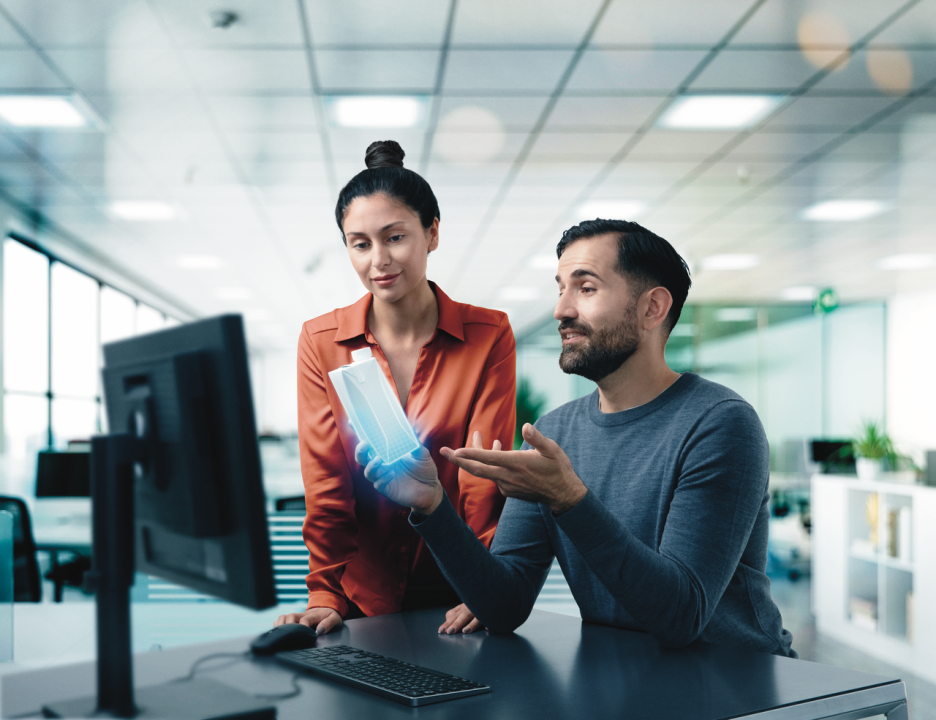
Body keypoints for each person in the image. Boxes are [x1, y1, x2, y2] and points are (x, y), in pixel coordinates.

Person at [358, 218, 797, 657]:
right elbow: (504, 604)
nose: (561, 310)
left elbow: (681, 616)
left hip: (740, 683)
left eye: (585, 289)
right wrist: (432, 506)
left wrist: (569, 498)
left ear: (652, 308)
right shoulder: (555, 432)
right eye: (561, 288)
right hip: (628, 678)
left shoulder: (720, 424)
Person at [276, 141, 515, 634]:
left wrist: (484, 580)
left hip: (456, 588)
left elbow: (481, 474)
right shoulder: (321, 341)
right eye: (360, 244)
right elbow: (325, 478)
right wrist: (323, 590)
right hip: (360, 593)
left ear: (432, 233)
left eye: (395, 237)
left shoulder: (488, 334)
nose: (378, 260)